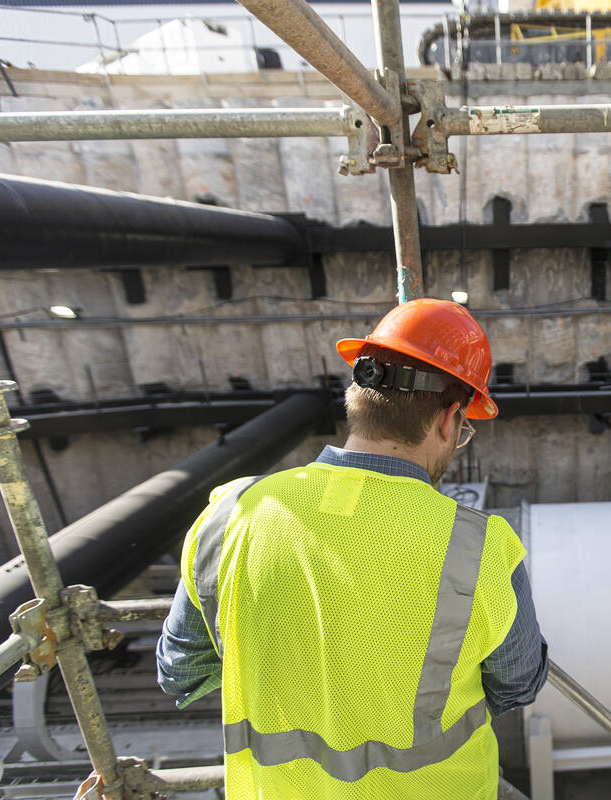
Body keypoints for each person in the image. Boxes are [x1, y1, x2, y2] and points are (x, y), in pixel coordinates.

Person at [156, 298, 548, 799]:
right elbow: (519, 685)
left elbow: (180, 673)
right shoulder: (481, 546)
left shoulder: (230, 513)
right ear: (450, 418)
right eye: (463, 431)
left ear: (358, 398)